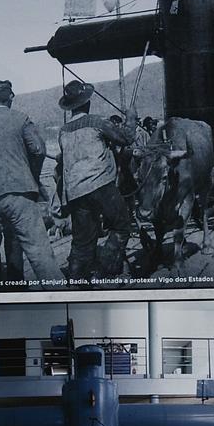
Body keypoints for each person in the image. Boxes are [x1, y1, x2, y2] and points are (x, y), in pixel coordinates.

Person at [0, 79, 57, 285]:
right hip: (20, 194)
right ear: (10, 98)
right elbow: (38, 149)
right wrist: (32, 176)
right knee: (39, 251)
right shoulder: (21, 119)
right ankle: (59, 294)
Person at [52, 79, 134, 281]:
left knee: (83, 239)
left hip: (76, 191)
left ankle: (77, 276)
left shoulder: (63, 131)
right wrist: (131, 118)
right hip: (101, 185)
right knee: (122, 224)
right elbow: (126, 138)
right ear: (87, 102)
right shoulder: (98, 121)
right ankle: (107, 266)